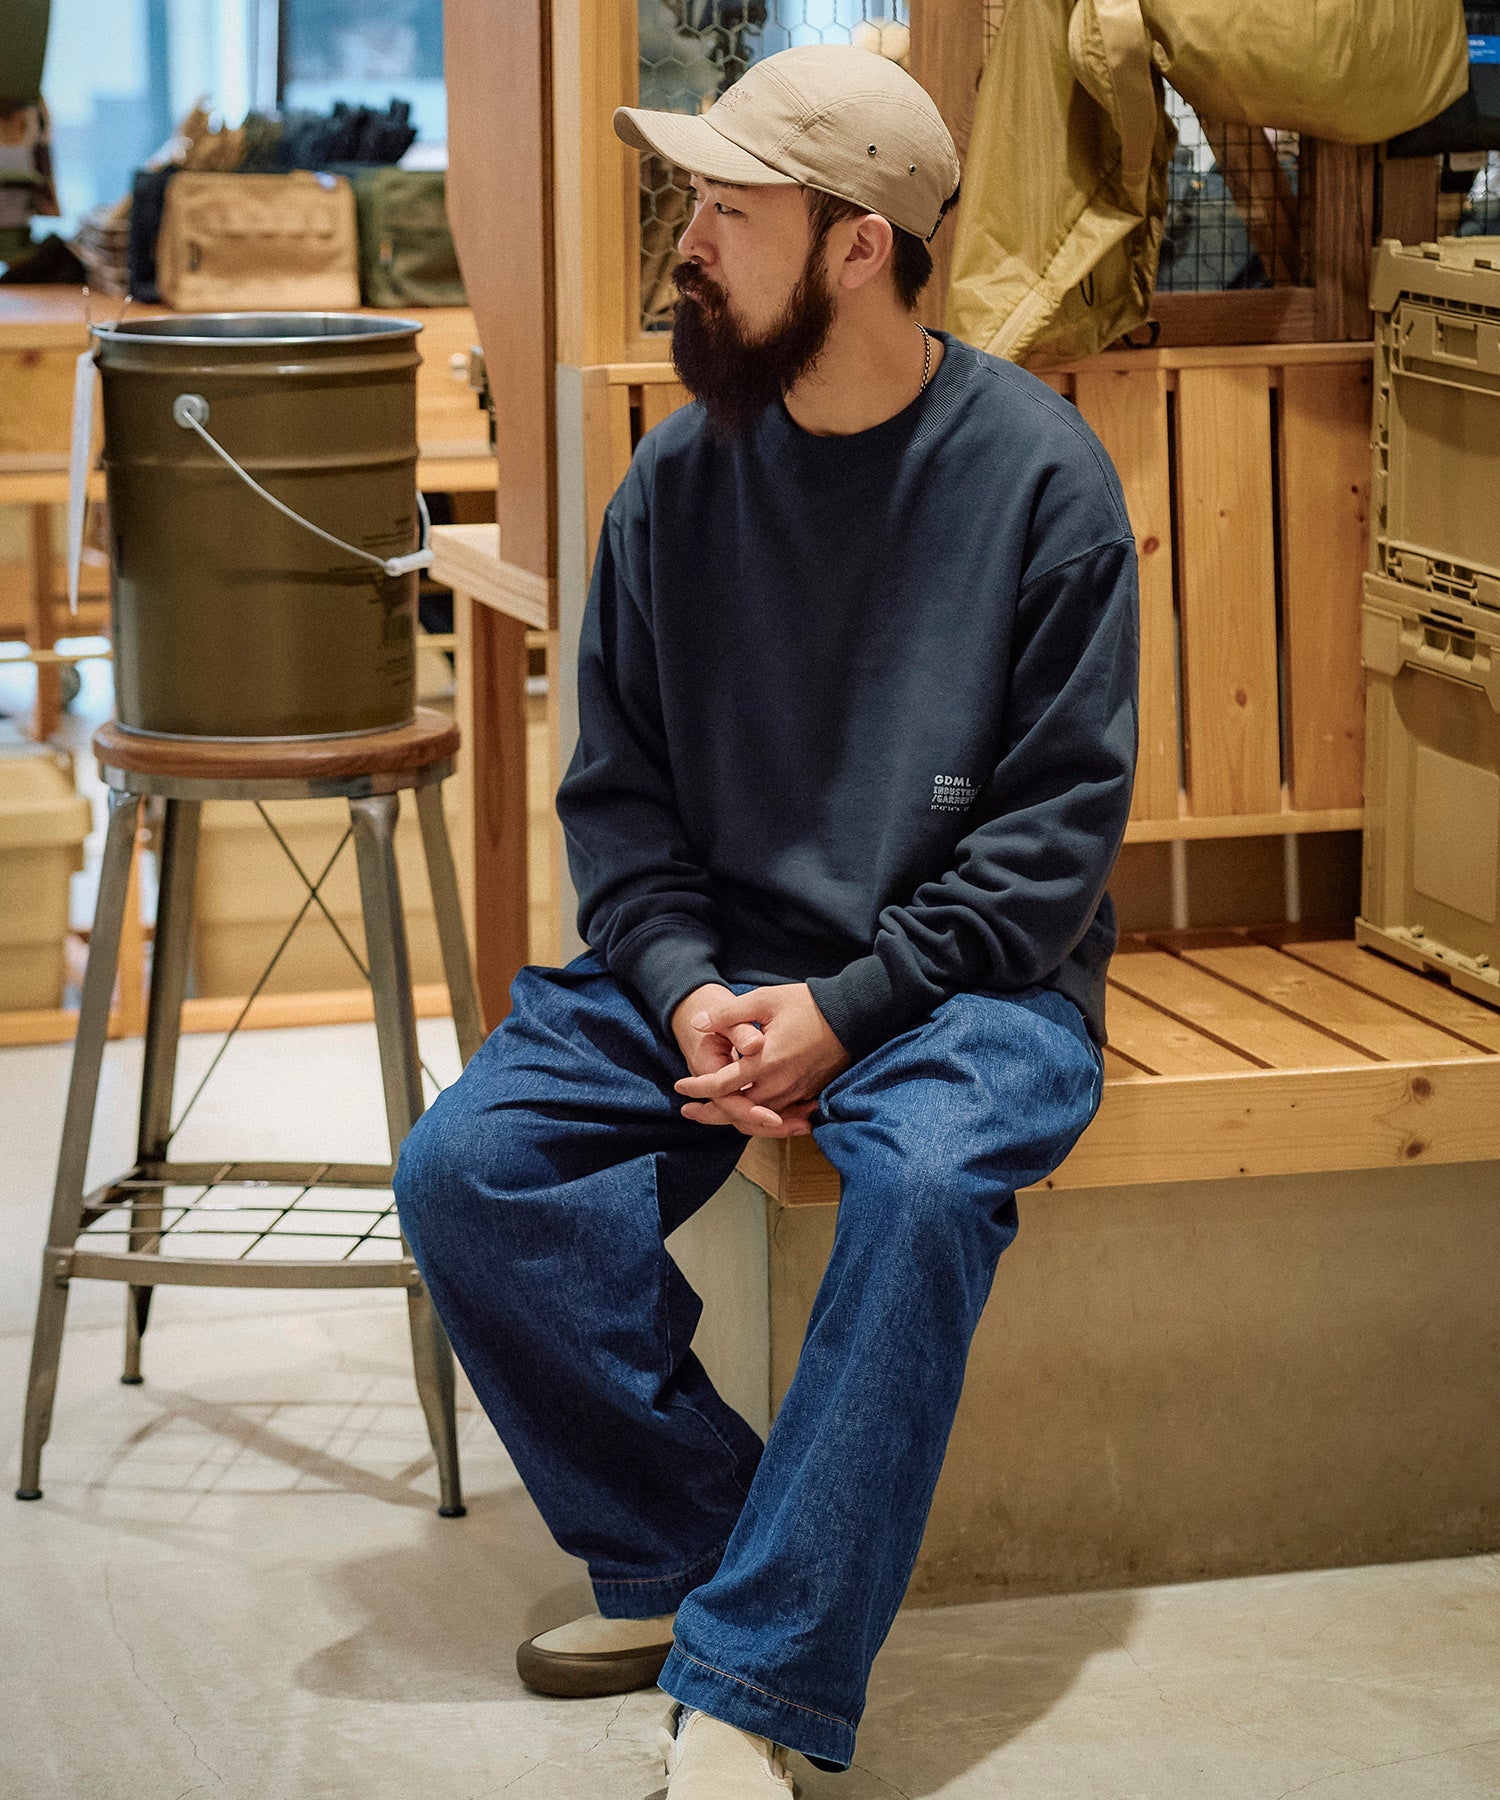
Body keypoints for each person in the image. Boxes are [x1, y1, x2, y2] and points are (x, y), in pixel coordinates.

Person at [394, 41, 1138, 1798]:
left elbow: (1049, 847)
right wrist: (683, 991)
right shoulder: (676, 483)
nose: (688, 245)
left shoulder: (1040, 484)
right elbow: (621, 810)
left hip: (969, 984)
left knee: (927, 1185)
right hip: (711, 968)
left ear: (860, 247)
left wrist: (851, 1007)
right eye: (692, 205)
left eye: (729, 211)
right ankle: (713, 1569)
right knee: (467, 1172)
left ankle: (751, 1684)